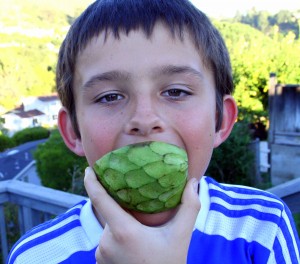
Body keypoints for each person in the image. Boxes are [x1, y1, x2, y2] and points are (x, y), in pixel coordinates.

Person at [7, 0, 300, 263]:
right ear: (73, 131)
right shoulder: (37, 256)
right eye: (110, 96)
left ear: (220, 120)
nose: (144, 119)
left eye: (176, 91)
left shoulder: (262, 229)